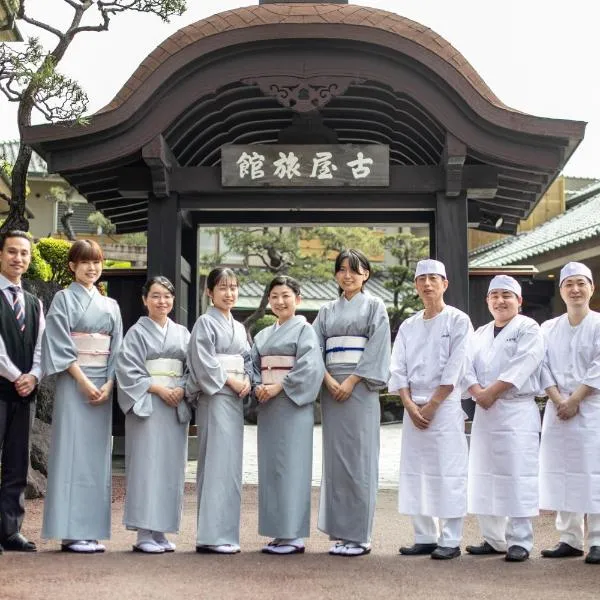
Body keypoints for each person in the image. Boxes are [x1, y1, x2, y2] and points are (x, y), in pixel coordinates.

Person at [41, 239, 123, 553]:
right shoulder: (63, 299)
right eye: (85, 262)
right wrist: (83, 380)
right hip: (75, 383)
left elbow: (118, 348)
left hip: (102, 384)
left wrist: (110, 383)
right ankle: (70, 530)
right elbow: (60, 344)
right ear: (73, 266)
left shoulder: (111, 305)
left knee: (96, 456)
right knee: (71, 452)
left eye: (97, 262)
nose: (92, 268)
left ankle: (89, 529)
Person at [389, 259, 471, 560]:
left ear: (445, 283)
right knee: (416, 471)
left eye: (433, 278)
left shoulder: (458, 320)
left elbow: (457, 364)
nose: (427, 284)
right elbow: (398, 367)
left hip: (445, 406)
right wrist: (409, 404)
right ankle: (424, 535)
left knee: (448, 470)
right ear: (415, 285)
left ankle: (450, 538)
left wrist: (434, 404)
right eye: (421, 279)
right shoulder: (409, 325)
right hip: (414, 407)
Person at [313, 248, 391, 557]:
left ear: (366, 275)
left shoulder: (375, 307)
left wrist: (352, 380)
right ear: (336, 274)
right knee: (336, 461)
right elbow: (313, 348)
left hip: (359, 388)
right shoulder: (326, 310)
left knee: (359, 458)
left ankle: (360, 535)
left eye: (355, 270)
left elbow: (378, 346)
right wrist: (328, 379)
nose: (348, 275)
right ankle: (341, 533)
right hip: (332, 386)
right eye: (343, 269)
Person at [464, 275, 544, 562]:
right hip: (486, 411)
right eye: (494, 295)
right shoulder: (480, 332)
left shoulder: (528, 328)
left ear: (519, 301)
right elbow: (465, 366)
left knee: (517, 473)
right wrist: (477, 392)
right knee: (484, 473)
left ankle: (520, 540)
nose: (500, 300)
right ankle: (492, 537)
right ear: (487, 301)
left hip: (515, 410)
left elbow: (524, 363)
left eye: (506, 295)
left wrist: (492, 392)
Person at [116, 276, 191, 554]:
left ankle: (160, 530)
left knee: (170, 467)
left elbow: (191, 369)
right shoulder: (136, 333)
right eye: (156, 296)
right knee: (146, 465)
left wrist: (182, 388)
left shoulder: (183, 333)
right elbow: (127, 370)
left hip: (174, 404)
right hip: (147, 402)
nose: (162, 301)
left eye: (167, 296)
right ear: (144, 299)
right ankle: (143, 532)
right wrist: (159, 388)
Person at [252, 276, 324, 555]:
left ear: (298, 299)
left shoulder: (306, 331)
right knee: (272, 468)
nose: (280, 302)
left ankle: (293, 534)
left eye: (286, 296)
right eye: (274, 297)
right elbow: (253, 364)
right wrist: (258, 385)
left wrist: (278, 386)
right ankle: (280, 532)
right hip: (269, 406)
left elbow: (310, 368)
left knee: (292, 466)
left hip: (292, 404)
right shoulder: (262, 335)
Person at [186, 267, 251, 554]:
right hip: (215, 397)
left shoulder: (238, 327)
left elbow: (247, 358)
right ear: (209, 292)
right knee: (215, 462)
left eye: (233, 287)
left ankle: (226, 533)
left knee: (231, 466)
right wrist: (233, 380)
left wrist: (247, 378)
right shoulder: (205, 323)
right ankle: (210, 535)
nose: (229, 293)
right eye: (223, 288)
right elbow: (204, 361)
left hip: (235, 397)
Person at [539, 262, 600, 564]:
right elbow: (541, 365)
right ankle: (569, 538)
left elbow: (599, 365)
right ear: (561, 290)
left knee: (594, 470)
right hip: (557, 407)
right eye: (569, 284)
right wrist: (558, 398)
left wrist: (575, 399)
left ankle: (598, 539)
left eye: (581, 283)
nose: (575, 289)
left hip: (592, 407)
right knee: (562, 470)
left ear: (591, 287)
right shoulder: (548, 328)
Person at [0, 230, 44, 553]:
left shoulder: (34, 302)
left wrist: (35, 375)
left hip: (26, 393)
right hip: (2, 388)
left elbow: (42, 346)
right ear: (1, 255)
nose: (19, 258)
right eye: (12, 252)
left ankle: (10, 530)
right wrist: (18, 375)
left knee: (18, 463)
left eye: (24, 253)